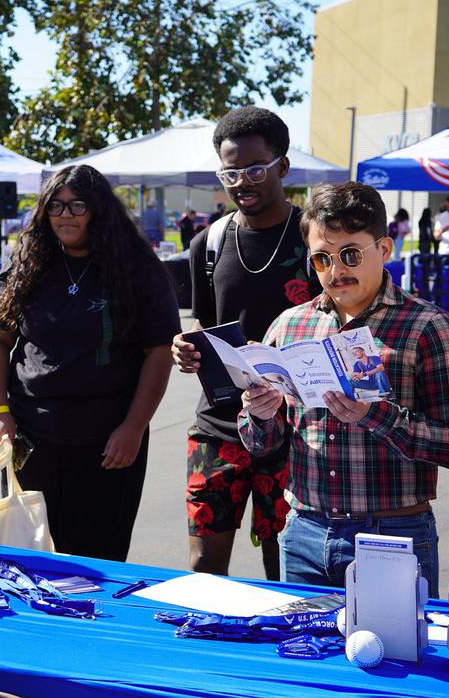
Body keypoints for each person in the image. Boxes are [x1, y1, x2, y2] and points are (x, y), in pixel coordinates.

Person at [239, 181, 449, 596]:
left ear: (384, 250)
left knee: (397, 658)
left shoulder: (430, 328)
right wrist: (259, 415)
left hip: (393, 533)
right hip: (304, 532)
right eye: (321, 259)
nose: (335, 270)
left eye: (350, 254)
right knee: (303, 658)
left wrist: (374, 416)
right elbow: (264, 443)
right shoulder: (290, 325)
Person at [0, 164, 179, 561]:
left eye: (77, 206)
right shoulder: (28, 263)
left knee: (96, 563)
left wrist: (133, 428)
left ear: (99, 211)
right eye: (56, 206)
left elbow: (158, 353)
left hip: (107, 443)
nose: (65, 215)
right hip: (30, 439)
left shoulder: (137, 268)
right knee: (28, 559)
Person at [170, 107, 320, 579]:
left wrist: (275, 357)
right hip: (218, 426)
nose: (242, 182)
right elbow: (204, 326)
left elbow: (342, 332)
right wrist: (186, 347)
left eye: (255, 169)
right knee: (203, 569)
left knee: (287, 571)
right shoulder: (208, 243)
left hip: (295, 431)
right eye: (230, 172)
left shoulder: (312, 239)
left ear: (283, 166)